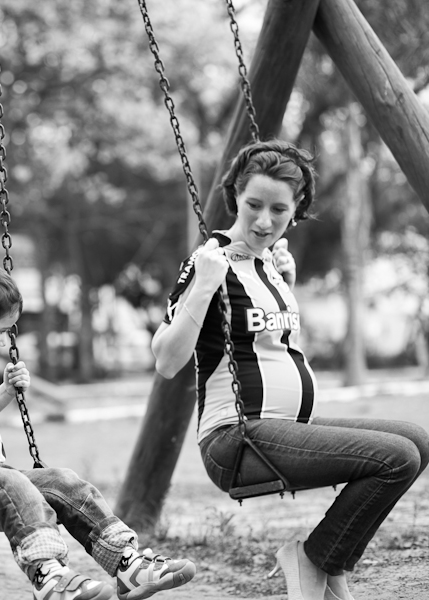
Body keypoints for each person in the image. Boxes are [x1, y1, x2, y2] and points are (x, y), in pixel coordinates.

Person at [151, 139, 429, 600]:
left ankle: (329, 561)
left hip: (285, 429)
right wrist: (202, 287)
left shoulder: (271, 263)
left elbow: (270, 346)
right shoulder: (209, 261)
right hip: (237, 438)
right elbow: (166, 361)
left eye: (278, 209)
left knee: (417, 441)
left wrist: (287, 284)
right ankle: (316, 558)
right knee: (395, 458)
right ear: (235, 198)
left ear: (297, 208)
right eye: (253, 205)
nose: (264, 221)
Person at [0, 256, 196, 600]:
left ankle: (128, 563)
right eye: (1, 331)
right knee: (11, 479)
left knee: (63, 480)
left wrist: (5, 392)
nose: (2, 342)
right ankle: (49, 575)